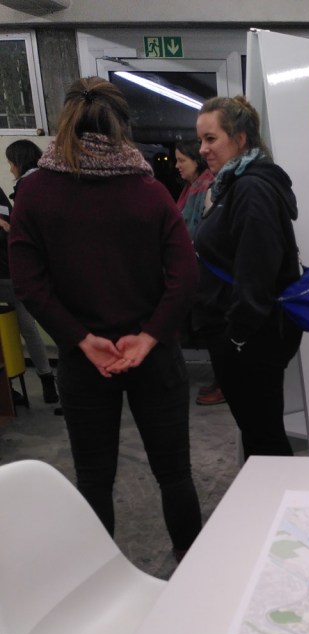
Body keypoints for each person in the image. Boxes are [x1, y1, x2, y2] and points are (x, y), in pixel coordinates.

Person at [9, 75, 202, 561]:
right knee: (175, 474)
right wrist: (150, 336)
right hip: (153, 357)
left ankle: (98, 584)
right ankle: (195, 577)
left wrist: (80, 338)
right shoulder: (148, 190)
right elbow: (185, 274)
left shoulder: (35, 192)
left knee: (94, 480)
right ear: (121, 124)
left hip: (83, 360)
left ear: (64, 123)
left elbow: (30, 284)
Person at [193, 95, 302, 457]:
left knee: (265, 438)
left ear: (240, 139)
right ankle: (272, 490)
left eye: (211, 138)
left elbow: (257, 269)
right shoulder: (233, 185)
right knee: (260, 434)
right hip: (246, 336)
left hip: (250, 340)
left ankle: (281, 492)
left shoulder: (250, 188)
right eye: (200, 140)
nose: (203, 149)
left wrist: (236, 336)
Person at [0, 140, 59, 404]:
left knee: (28, 327)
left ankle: (46, 380)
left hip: (9, 272)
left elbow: (13, 227)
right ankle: (18, 387)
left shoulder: (27, 187)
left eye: (11, 163)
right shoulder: (39, 183)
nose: (9, 168)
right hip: (17, 269)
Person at [173, 137, 223, 407]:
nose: (177, 166)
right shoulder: (191, 188)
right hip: (195, 268)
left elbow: (200, 233)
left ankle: (224, 382)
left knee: (212, 327)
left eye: (182, 160)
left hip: (207, 272)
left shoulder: (208, 188)